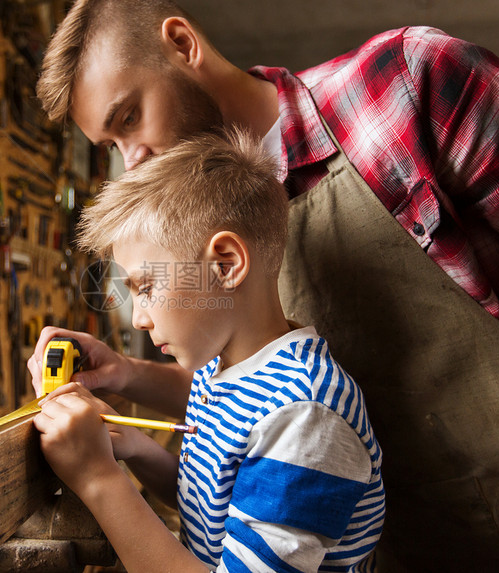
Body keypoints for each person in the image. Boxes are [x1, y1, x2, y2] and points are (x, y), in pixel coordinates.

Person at [31, 1, 499, 569]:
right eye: (112, 146)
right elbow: (253, 400)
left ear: (182, 44)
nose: (135, 161)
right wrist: (125, 378)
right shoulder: (221, 233)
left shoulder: (403, 85)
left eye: (129, 119)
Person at [34, 128, 385, 572]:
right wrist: (135, 448)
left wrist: (98, 478)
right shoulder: (222, 369)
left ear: (225, 265)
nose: (139, 317)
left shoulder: (304, 416)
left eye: (145, 286)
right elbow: (206, 509)